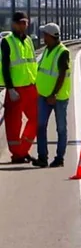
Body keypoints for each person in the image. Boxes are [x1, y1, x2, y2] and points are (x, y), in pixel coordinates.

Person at [0, 12, 38, 164]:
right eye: (20, 23)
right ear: (14, 24)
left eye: (25, 23)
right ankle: (17, 154)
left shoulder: (28, 40)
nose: (23, 25)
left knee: (36, 119)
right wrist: (10, 88)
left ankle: (22, 150)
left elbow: (32, 63)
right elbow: (5, 67)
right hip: (15, 89)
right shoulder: (7, 41)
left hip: (30, 86)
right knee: (14, 123)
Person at [32, 23, 71, 168]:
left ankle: (59, 158)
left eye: (45, 35)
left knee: (61, 128)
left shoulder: (63, 52)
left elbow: (61, 75)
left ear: (51, 36)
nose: (43, 37)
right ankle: (42, 157)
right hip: (43, 95)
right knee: (41, 126)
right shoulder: (47, 50)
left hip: (58, 97)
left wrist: (53, 94)